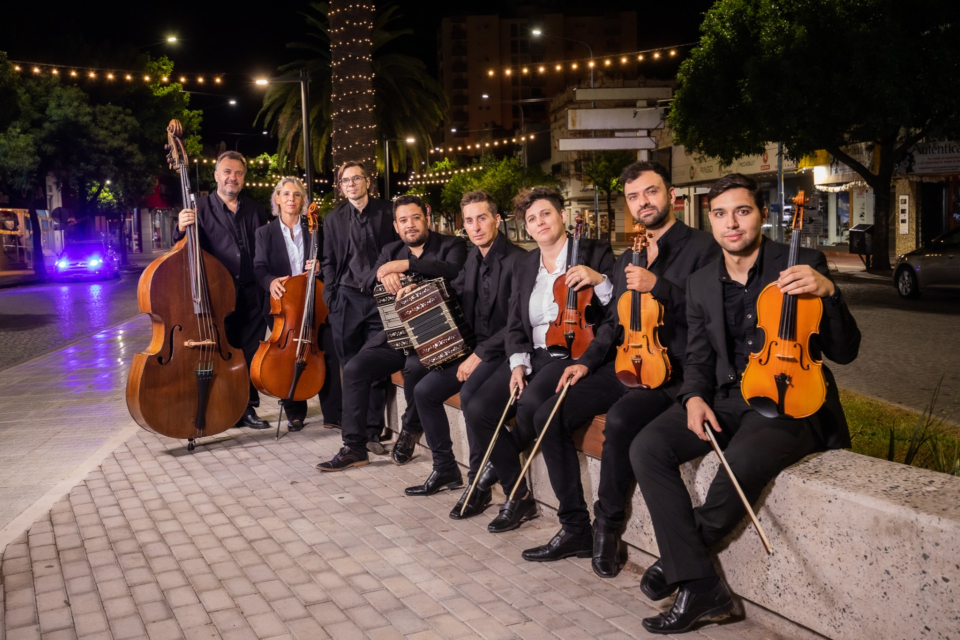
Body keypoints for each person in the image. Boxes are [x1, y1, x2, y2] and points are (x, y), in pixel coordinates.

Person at [632, 173, 861, 635]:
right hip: (725, 396)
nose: (730, 223)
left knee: (737, 465)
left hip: (791, 398)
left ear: (761, 215)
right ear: (710, 220)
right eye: (719, 214)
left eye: (742, 211)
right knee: (647, 447)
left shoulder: (802, 263)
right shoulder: (700, 282)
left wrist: (829, 293)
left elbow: (846, 350)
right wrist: (694, 397)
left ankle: (685, 571)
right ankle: (704, 587)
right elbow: (698, 357)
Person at [515, 162, 721, 576]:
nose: (643, 202)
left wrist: (658, 287)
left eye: (650, 192)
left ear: (671, 195)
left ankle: (607, 524)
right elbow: (614, 322)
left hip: (673, 369)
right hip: (626, 360)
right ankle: (574, 527)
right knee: (547, 415)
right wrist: (586, 363)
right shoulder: (631, 254)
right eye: (633, 197)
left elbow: (711, 317)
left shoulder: (703, 248)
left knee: (623, 419)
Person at [465, 187, 615, 534]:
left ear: (561, 215)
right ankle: (518, 495)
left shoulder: (594, 252)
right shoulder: (525, 263)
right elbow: (515, 320)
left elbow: (616, 312)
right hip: (532, 352)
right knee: (478, 410)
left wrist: (600, 280)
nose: (540, 222)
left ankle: (550, 510)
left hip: (570, 350)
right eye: (532, 219)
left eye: (545, 214)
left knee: (532, 405)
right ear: (527, 229)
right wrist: (518, 364)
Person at [316, 194, 467, 471]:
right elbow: (367, 281)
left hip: (437, 338)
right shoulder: (390, 250)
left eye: (415, 218)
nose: (410, 225)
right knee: (355, 367)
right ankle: (354, 447)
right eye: (403, 220)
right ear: (396, 227)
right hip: (398, 337)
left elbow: (452, 271)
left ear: (427, 220)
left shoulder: (452, 245)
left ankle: (410, 430)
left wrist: (406, 267)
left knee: (413, 367)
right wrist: (384, 278)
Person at [402, 190, 526, 509]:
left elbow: (519, 323)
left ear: (497, 220)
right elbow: (454, 291)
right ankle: (445, 469)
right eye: (469, 221)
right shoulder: (473, 257)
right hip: (474, 349)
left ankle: (476, 483)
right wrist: (420, 292)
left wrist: (478, 355)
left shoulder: (518, 260)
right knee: (425, 390)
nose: (475, 227)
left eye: (482, 218)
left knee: (471, 394)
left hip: (504, 353)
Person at [175, 151, 270, 429]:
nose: (233, 177)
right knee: (218, 352)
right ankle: (219, 406)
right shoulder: (199, 209)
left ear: (244, 178)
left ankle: (247, 409)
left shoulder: (255, 209)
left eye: (239, 173)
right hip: (217, 295)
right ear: (216, 175)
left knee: (249, 353)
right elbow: (184, 248)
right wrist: (180, 228)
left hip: (252, 294)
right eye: (227, 172)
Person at [252, 177, 341, 432]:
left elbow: (330, 260)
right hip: (284, 305)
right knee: (288, 356)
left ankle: (333, 413)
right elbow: (258, 269)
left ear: (303, 201)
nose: (291, 199)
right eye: (286, 194)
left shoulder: (315, 229)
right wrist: (270, 282)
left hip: (315, 301)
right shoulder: (264, 233)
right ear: (277, 199)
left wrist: (321, 266)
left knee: (328, 353)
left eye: (297, 195)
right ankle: (294, 412)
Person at [321, 162, 399, 441]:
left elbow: (401, 249)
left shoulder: (388, 211)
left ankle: (372, 431)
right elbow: (328, 260)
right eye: (345, 180)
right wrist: (330, 297)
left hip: (381, 299)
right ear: (340, 187)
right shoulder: (332, 219)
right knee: (350, 365)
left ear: (368, 181)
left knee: (375, 366)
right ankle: (352, 429)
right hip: (346, 299)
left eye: (356, 178)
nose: (351, 184)